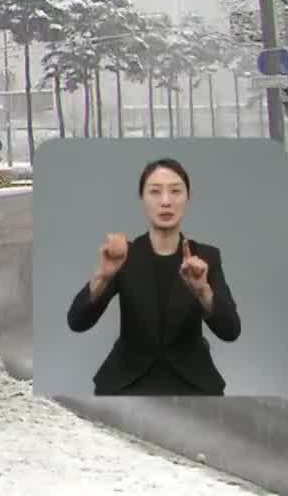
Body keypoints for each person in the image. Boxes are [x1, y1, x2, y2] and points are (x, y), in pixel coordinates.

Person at [66, 157, 241, 395]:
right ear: (143, 199)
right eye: (155, 192)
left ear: (187, 198)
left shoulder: (206, 257)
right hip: (126, 382)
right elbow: (77, 322)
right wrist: (103, 276)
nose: (166, 201)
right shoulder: (123, 256)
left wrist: (203, 291)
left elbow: (230, 331)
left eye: (176, 191)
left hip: (193, 383)